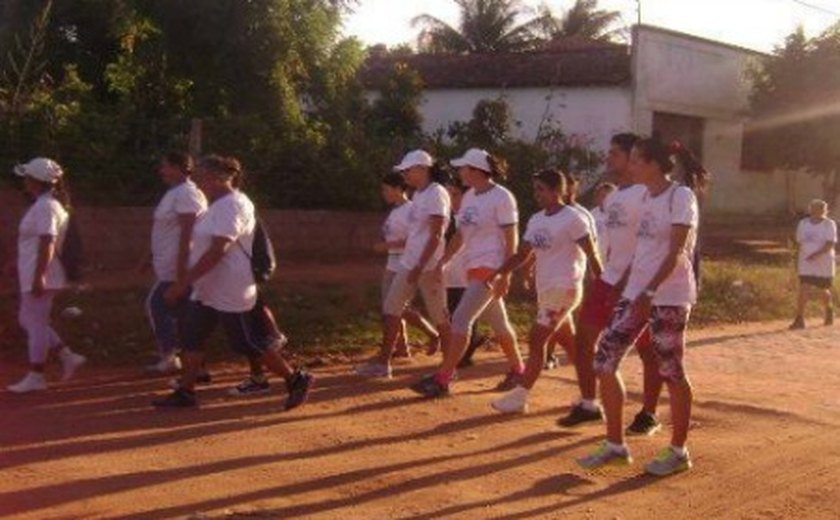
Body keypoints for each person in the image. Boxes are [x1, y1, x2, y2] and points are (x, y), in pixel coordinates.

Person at [578, 138, 699, 476]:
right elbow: (641, 249)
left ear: (654, 164)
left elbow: (676, 251)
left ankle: (678, 451)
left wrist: (650, 291)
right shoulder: (645, 197)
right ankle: (615, 446)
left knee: (671, 370)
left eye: (635, 161)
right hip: (636, 292)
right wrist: (626, 286)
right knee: (604, 359)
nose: (629, 167)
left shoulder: (681, 197)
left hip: (669, 296)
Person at [153, 155, 313, 410]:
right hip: (209, 287)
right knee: (192, 335)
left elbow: (218, 249)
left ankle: (295, 378)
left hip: (231, 287)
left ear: (219, 178)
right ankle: (186, 391)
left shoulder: (233, 205)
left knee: (247, 342)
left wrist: (184, 282)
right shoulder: (216, 205)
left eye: (202, 176)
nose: (198, 182)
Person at [558, 133, 660, 436]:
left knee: (647, 351)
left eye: (615, 153)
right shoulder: (613, 196)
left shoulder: (645, 195)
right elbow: (615, 244)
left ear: (632, 158)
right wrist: (603, 275)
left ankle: (649, 413)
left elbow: (647, 243)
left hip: (637, 283)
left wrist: (629, 280)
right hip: (610, 279)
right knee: (584, 339)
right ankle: (589, 404)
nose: (608, 158)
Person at [410, 148, 523, 398]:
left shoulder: (502, 197)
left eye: (463, 168)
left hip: (491, 268)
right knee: (499, 323)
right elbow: (461, 234)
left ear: (475, 171)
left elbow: (511, 239)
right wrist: (444, 260)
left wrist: (505, 274)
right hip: (474, 267)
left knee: (460, 319)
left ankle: (444, 377)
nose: (459, 172)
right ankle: (518, 370)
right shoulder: (470, 196)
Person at [488, 169, 601, 413]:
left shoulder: (574, 218)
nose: (536, 194)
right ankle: (590, 398)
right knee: (572, 346)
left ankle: (520, 395)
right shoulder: (537, 219)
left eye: (541, 189)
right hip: (547, 289)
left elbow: (592, 254)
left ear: (557, 191)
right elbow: (522, 253)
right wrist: (500, 272)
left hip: (565, 288)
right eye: (536, 189)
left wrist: (603, 284)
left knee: (536, 338)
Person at [356, 150, 451, 379]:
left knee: (440, 317)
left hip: (426, 266)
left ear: (423, 169)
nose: (405, 174)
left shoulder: (436, 193)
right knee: (391, 308)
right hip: (410, 262)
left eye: (408, 170)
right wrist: (412, 263)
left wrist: (420, 265)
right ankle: (383, 362)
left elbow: (436, 234)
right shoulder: (419, 195)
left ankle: (449, 366)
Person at [7, 158, 86, 393]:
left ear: (36, 181)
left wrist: (39, 276)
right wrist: (18, 263)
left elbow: (47, 241)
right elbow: (36, 242)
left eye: (28, 177)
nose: (25, 181)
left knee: (36, 324)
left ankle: (37, 374)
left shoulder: (45, 207)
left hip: (41, 273)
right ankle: (67, 355)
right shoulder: (44, 205)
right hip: (34, 271)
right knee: (29, 320)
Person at [141, 152, 207, 375]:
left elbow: (188, 235)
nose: (162, 171)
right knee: (181, 313)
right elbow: (164, 229)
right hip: (168, 263)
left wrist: (181, 272)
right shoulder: (174, 193)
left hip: (177, 266)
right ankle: (191, 362)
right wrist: (149, 257)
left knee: (156, 305)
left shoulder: (187, 194)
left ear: (180, 168)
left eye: (166, 166)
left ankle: (172, 356)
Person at [373, 173, 439, 358]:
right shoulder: (395, 211)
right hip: (392, 262)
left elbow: (414, 239)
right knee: (392, 308)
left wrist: (387, 245)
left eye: (386, 189)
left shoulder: (410, 210)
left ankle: (431, 335)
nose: (384, 193)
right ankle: (402, 345)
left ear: (398, 189)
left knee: (394, 307)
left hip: (405, 261)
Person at [442, 173, 488, 368]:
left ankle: (465, 353)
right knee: (457, 313)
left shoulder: (469, 215)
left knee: (461, 314)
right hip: (453, 273)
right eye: (449, 195)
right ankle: (471, 343)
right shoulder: (453, 216)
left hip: (468, 272)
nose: (451, 199)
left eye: (455, 195)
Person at [790, 199, 836, 329]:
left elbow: (830, 243)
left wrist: (816, 255)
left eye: (820, 209)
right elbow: (799, 241)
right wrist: (804, 255)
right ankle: (800, 318)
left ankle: (829, 309)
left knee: (823, 289)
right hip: (806, 262)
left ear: (824, 211)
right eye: (814, 208)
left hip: (823, 262)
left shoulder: (829, 224)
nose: (817, 211)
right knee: (804, 286)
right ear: (810, 210)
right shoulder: (803, 223)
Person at [591, 182, 617, 262]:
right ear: (597, 198)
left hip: (614, 259)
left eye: (608, 196)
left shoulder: (618, 214)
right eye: (602, 196)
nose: (605, 199)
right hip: (596, 259)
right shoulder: (591, 215)